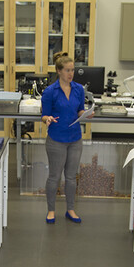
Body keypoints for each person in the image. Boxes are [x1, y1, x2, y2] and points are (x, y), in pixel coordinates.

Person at [41, 51, 91, 224]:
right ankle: (51, 210)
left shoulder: (78, 89)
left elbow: (80, 109)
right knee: (54, 176)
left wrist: (85, 114)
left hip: (75, 138)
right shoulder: (50, 91)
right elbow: (44, 114)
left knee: (71, 177)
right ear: (59, 71)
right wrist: (47, 119)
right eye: (68, 70)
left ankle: (70, 209)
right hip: (56, 139)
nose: (71, 74)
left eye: (73, 70)